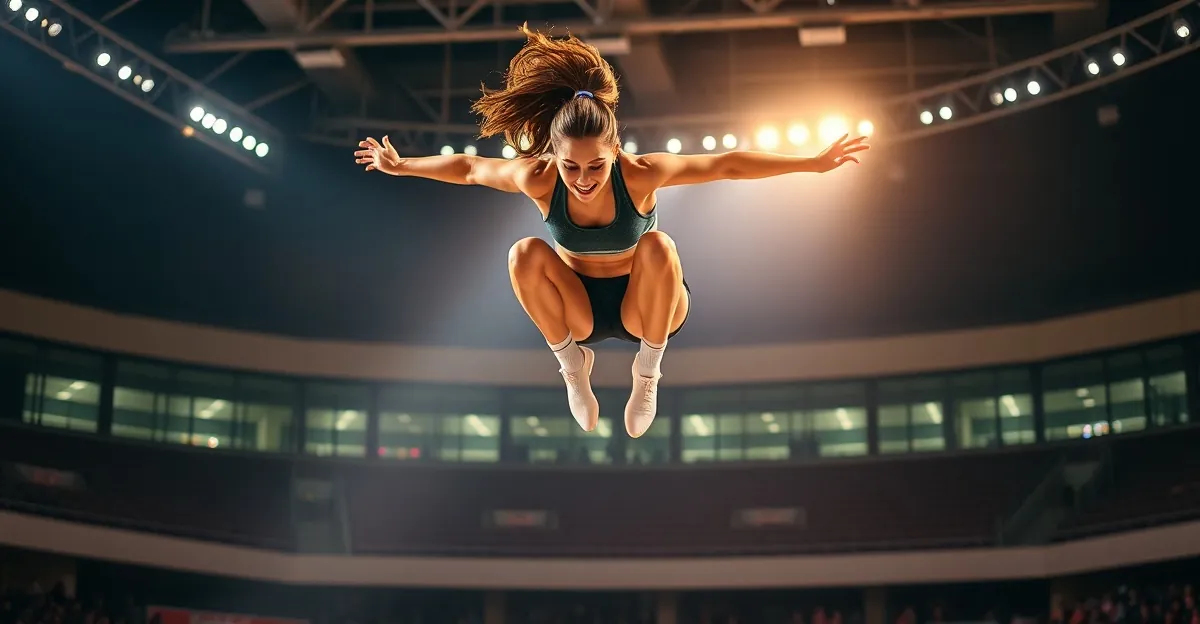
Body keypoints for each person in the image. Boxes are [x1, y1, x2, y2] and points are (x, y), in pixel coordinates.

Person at [353, 26, 868, 439]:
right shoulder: (538, 178)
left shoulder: (640, 173)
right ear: (553, 156)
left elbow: (727, 164)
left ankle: (647, 375)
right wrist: (403, 167)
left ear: (615, 148)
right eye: (571, 168)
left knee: (659, 245)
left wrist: (812, 163)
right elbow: (468, 168)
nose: (581, 181)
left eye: (596, 166)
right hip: (580, 307)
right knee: (522, 254)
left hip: (648, 305)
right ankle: (573, 369)